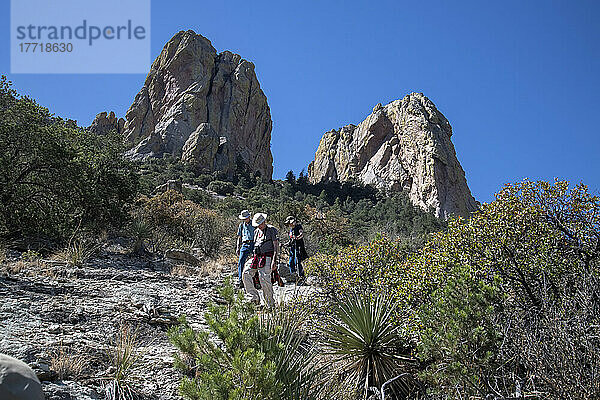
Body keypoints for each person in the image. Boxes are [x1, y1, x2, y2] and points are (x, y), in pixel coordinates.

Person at [242, 212, 279, 307]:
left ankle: (270, 303)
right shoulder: (256, 232)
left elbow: (275, 246)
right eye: (258, 224)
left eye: (261, 223)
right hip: (257, 256)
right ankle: (253, 298)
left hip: (267, 256)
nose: (260, 226)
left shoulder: (271, 230)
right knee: (246, 273)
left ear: (264, 221)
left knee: (264, 278)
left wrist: (274, 260)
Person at [285, 216, 307, 284]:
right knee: (291, 261)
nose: (290, 225)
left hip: (299, 247)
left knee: (298, 261)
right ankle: (293, 276)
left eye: (290, 223)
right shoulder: (291, 230)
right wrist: (285, 244)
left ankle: (301, 276)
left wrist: (297, 238)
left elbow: (301, 234)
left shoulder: (298, 227)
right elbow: (291, 240)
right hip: (292, 247)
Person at [236, 209, 254, 288]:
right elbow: (239, 237)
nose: (245, 219)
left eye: (246, 217)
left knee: (255, 261)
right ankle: (241, 280)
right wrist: (238, 247)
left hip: (253, 243)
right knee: (241, 261)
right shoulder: (241, 225)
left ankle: (255, 279)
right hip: (245, 244)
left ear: (249, 216)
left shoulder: (254, 223)